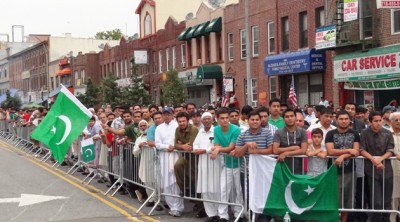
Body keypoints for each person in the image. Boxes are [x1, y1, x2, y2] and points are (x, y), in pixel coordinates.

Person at [325, 110, 360, 222]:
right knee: (335, 199)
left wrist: (342, 156)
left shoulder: (355, 134)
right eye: (341, 119)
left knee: (348, 200)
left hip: (350, 171)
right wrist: (348, 151)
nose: (344, 121)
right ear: (336, 120)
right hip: (334, 171)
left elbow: (356, 151)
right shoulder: (330, 133)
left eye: (346, 119)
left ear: (350, 120)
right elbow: (330, 151)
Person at [360, 111, 394, 222]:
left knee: (387, 201)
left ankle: (386, 220)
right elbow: (362, 149)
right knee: (376, 201)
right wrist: (373, 159)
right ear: (370, 122)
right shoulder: (365, 133)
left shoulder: (388, 133)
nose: (378, 123)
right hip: (371, 170)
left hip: (387, 170)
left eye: (380, 120)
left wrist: (380, 159)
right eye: (375, 121)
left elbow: (390, 150)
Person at [211, 107, 243, 222]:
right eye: (222, 118)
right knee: (223, 189)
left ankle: (239, 213)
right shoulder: (216, 129)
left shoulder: (236, 129)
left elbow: (231, 147)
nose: (225, 120)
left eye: (226, 118)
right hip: (227, 165)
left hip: (239, 164)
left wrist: (218, 150)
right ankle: (223, 215)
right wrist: (217, 148)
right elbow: (216, 144)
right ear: (217, 119)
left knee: (238, 190)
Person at [193, 112, 221, 222]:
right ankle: (211, 214)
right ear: (202, 121)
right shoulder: (200, 132)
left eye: (209, 119)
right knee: (205, 189)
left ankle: (219, 212)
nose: (206, 121)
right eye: (204, 119)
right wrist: (196, 149)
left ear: (212, 119)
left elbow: (217, 146)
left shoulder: (216, 131)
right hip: (203, 163)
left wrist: (205, 150)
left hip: (214, 163)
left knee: (216, 187)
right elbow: (195, 144)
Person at [154, 107, 183, 217]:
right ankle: (172, 207)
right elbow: (157, 144)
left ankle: (178, 207)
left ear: (172, 114)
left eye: (168, 114)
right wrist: (167, 147)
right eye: (164, 114)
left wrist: (175, 146)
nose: (167, 116)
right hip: (164, 156)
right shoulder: (159, 128)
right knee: (166, 182)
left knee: (176, 181)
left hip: (176, 155)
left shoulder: (177, 125)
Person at [173, 112, 201, 217]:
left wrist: (182, 145)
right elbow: (175, 144)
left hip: (196, 158)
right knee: (177, 165)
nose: (182, 123)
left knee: (197, 180)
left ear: (187, 121)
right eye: (179, 121)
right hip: (186, 157)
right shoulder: (177, 130)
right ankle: (184, 188)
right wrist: (182, 146)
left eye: (183, 121)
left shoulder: (193, 129)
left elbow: (191, 145)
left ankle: (200, 205)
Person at [272, 109, 308, 173]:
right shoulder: (278, 132)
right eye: (287, 117)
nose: (290, 118)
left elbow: (303, 150)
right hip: (283, 167)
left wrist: (286, 153)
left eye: (292, 116)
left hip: (299, 168)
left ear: (295, 117)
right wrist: (292, 148)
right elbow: (275, 150)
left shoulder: (302, 131)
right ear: (283, 119)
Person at [133, 120, 152, 204]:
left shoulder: (153, 136)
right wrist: (140, 146)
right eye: (141, 126)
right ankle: (151, 199)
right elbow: (135, 152)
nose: (143, 127)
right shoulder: (138, 139)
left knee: (157, 182)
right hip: (145, 162)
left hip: (155, 161)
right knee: (147, 182)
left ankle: (160, 200)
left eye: (145, 125)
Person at [390, 112, 400, 222]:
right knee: (393, 198)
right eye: (396, 120)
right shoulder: (386, 133)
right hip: (392, 170)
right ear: (391, 121)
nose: (398, 122)